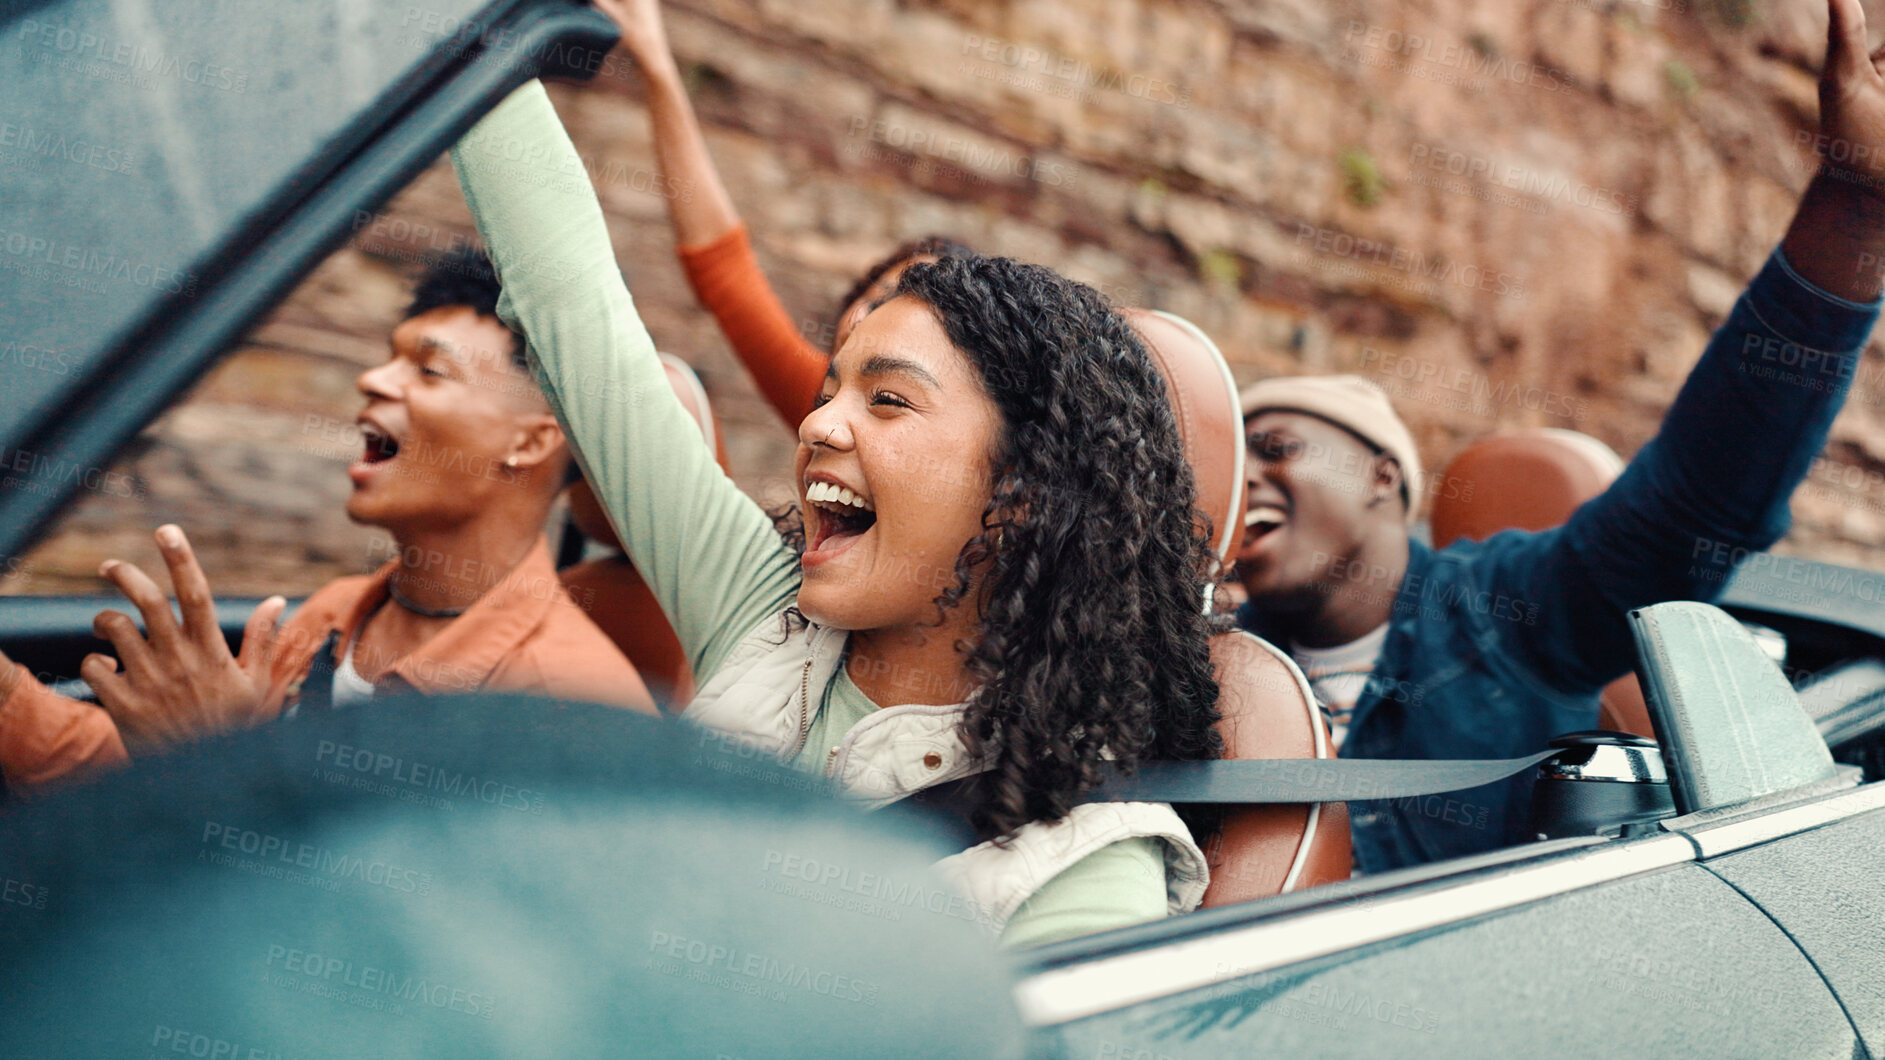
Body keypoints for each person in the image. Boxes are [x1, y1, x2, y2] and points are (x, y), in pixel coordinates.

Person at [452, 81, 1224, 946]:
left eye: (887, 399)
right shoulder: (761, 615)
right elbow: (569, 305)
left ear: (1024, 491)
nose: (817, 423)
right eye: (828, 390)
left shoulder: (1083, 871)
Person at [1232, 0, 1885, 874]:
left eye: (1274, 447)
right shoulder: (1198, 667)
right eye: (1227, 461)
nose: (1243, 478)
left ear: (1383, 475)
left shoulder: (1510, 614)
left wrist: (1853, 205)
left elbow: (1700, 497)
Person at [0, 250, 655, 792]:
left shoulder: (571, 704)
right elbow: (124, 772)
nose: (374, 378)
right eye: (388, 357)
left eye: (427, 369)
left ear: (532, 443)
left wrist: (217, 760)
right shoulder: (337, 617)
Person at [596, 0, 971, 426]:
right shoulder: (818, 399)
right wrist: (656, 64)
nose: (870, 318)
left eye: (907, 311)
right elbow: (724, 272)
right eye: (878, 295)